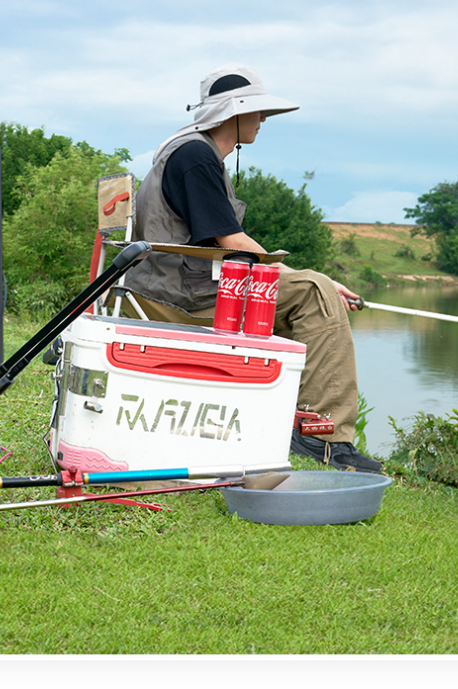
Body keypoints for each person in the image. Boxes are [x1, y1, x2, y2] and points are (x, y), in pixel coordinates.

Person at [121, 63, 384, 473]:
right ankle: (323, 439)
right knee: (314, 293)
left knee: (313, 287)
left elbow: (222, 244)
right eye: (257, 111)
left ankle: (285, 422)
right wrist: (315, 281)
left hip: (173, 285)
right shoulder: (196, 157)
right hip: (179, 296)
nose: (263, 119)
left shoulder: (191, 151)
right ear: (234, 112)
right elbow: (232, 242)